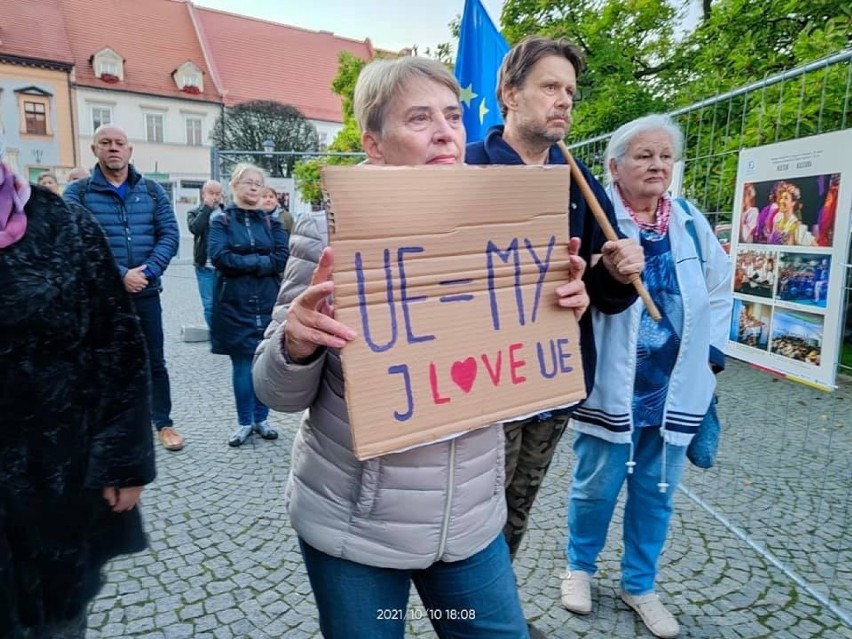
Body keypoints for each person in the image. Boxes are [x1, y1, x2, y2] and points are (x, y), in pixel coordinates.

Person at [252, 56, 590, 639]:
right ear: (375, 144)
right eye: (418, 118)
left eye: (453, 117)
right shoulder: (327, 236)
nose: (445, 132)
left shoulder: (507, 229)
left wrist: (553, 312)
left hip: (472, 526)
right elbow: (275, 392)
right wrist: (296, 342)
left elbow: (516, 373)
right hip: (357, 531)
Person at [465, 37, 644, 635]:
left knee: (517, 510)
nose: (564, 100)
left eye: (570, 90)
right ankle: (468, 618)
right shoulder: (466, 167)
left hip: (556, 377)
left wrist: (616, 274)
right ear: (509, 94)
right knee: (473, 514)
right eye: (549, 86)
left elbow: (607, 291)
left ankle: (494, 617)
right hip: (483, 384)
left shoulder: (579, 178)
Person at [561, 114, 733, 639]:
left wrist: (709, 357)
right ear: (615, 165)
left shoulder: (688, 219)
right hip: (614, 381)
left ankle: (640, 584)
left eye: (664, 156)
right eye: (643, 155)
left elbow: (720, 287)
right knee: (596, 485)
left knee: (657, 491)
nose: (657, 165)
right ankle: (579, 568)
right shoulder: (599, 217)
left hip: (674, 381)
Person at [0, 153, 155, 637]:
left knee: (55, 620)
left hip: (53, 485)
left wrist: (123, 462)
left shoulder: (61, 221)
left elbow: (117, 345)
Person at [63, 125, 183, 452]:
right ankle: (111, 427)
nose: (113, 148)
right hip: (102, 296)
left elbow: (169, 235)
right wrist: (119, 275)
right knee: (105, 361)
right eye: (106, 143)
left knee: (154, 361)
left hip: (145, 292)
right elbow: (74, 240)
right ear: (94, 150)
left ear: (130, 150)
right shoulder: (78, 193)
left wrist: (147, 271)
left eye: (119, 143)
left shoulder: (153, 191)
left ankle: (164, 423)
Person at [209, 164, 289, 447]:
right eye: (248, 182)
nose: (254, 187)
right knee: (242, 363)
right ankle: (245, 422)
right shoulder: (221, 221)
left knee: (265, 361)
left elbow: (282, 258)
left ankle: (262, 419)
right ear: (234, 186)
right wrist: (260, 263)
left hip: (267, 300)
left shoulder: (272, 222)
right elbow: (220, 256)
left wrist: (246, 262)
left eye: (258, 183)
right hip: (234, 301)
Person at [186, 179, 224, 330]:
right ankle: (216, 334)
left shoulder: (226, 212)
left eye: (218, 194)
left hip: (223, 267)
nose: (215, 197)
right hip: (204, 267)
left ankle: (224, 334)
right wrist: (207, 209)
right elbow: (195, 228)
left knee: (224, 303)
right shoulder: (194, 212)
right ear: (203, 194)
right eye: (211, 193)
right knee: (209, 304)